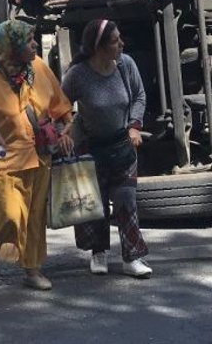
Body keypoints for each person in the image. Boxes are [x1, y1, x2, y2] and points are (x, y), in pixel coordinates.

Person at [0, 20, 74, 291]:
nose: (34, 45)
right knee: (8, 214)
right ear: (10, 46)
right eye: (28, 40)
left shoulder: (38, 67)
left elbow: (61, 105)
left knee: (34, 217)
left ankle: (32, 269)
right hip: (4, 156)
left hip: (40, 153)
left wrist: (65, 132)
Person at [61, 19, 152, 278]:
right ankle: (98, 252)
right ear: (97, 47)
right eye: (115, 41)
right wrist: (64, 131)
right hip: (91, 148)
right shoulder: (78, 74)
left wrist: (135, 126)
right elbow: (60, 104)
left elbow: (139, 96)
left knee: (126, 201)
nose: (121, 44)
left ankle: (132, 257)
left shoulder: (126, 65)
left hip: (122, 146)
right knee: (95, 204)